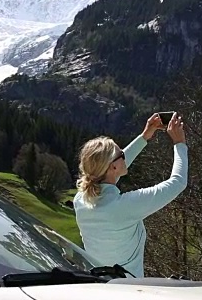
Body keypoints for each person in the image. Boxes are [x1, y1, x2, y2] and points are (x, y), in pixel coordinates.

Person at [72, 112, 188, 278]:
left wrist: (144, 137)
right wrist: (179, 143)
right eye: (122, 155)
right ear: (112, 167)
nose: (124, 156)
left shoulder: (81, 200)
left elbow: (109, 173)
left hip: (98, 286)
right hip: (129, 289)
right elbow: (177, 182)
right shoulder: (123, 207)